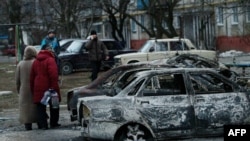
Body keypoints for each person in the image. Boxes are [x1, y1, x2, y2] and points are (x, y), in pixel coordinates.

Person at [30, 44, 61, 130]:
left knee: (40, 106)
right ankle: (53, 123)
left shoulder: (35, 61)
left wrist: (32, 88)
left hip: (38, 86)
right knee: (54, 105)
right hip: (49, 86)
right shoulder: (50, 60)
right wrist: (54, 87)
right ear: (49, 51)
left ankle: (43, 125)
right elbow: (53, 75)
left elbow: (32, 76)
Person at [15, 46, 39, 130]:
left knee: (25, 108)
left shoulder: (20, 64)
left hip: (24, 90)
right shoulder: (36, 62)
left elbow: (17, 80)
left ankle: (28, 126)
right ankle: (40, 123)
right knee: (37, 106)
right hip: (35, 89)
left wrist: (19, 90)